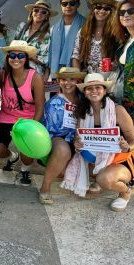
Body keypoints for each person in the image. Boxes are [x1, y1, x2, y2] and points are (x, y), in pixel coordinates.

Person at [61, 74, 134, 212]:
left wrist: (127, 147)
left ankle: (125, 191)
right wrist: (77, 143)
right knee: (64, 170)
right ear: (84, 92)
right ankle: (100, 181)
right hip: (95, 159)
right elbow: (78, 137)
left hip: (120, 160)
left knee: (105, 179)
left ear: (104, 90)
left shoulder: (117, 110)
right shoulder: (82, 112)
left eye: (98, 87)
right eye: (89, 88)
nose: (94, 91)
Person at [0, 40, 45, 185]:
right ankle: (12, 156)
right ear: (7, 58)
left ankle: (25, 169)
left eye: (20, 55)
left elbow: (40, 105)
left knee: (27, 155)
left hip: (27, 119)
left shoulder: (35, 77)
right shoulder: (3, 75)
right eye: (12, 55)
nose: (16, 59)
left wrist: (33, 127)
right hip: (6, 118)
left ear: (26, 58)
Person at [112, 0, 134, 207]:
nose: (125, 15)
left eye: (130, 11)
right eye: (122, 12)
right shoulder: (127, 40)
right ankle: (132, 179)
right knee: (128, 141)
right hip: (123, 99)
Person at [38, 67, 86, 204]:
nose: (67, 83)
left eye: (72, 79)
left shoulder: (85, 98)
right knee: (62, 150)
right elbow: (50, 130)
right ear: (59, 81)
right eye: (64, 79)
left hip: (81, 139)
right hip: (59, 139)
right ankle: (45, 188)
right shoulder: (53, 103)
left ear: (78, 81)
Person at [71, 0, 118, 73]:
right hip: (87, 77)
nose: (102, 11)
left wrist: (112, 66)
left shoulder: (116, 32)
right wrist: (78, 76)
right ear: (93, 9)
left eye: (107, 8)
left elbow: (119, 60)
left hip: (108, 78)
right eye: (98, 7)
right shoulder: (84, 31)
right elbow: (76, 56)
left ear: (112, 12)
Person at [48, 0, 85, 79]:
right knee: (56, 93)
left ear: (78, 4)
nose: (68, 6)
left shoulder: (86, 25)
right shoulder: (54, 29)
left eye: (72, 3)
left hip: (78, 73)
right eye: (64, 4)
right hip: (56, 74)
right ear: (61, 5)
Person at [16, 0, 56, 81]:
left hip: (33, 71)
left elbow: (45, 60)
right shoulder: (22, 26)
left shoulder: (47, 35)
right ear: (32, 12)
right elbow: (13, 45)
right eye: (36, 10)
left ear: (46, 17)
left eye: (43, 12)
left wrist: (28, 55)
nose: (39, 13)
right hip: (16, 66)